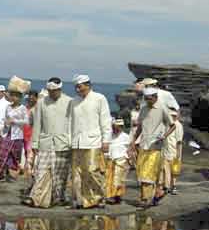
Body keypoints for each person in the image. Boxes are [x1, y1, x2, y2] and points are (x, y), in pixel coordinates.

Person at [23, 78, 72, 208]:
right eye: (50, 91)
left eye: (54, 91)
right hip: (45, 142)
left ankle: (57, 197)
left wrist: (72, 142)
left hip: (63, 143)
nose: (51, 94)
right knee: (41, 171)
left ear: (59, 89)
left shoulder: (69, 102)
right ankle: (35, 197)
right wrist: (34, 144)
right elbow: (37, 124)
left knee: (60, 174)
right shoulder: (41, 103)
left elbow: (72, 123)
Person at [70, 75, 112, 209]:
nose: (78, 89)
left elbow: (105, 120)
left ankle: (99, 197)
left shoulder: (99, 98)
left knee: (92, 170)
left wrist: (106, 140)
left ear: (88, 85)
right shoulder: (74, 101)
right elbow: (70, 122)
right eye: (76, 87)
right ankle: (80, 199)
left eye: (80, 86)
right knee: (77, 172)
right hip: (77, 141)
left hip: (93, 141)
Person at [129, 87, 175, 208]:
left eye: (150, 99)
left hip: (156, 145)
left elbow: (172, 125)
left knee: (148, 172)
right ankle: (155, 194)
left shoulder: (162, 108)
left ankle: (146, 198)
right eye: (146, 99)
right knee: (141, 171)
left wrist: (164, 136)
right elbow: (140, 127)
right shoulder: (143, 109)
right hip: (144, 144)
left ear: (155, 97)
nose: (148, 101)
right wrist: (133, 141)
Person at [0, 89, 29, 182]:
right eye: (13, 95)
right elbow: (5, 118)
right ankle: (1, 173)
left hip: (17, 134)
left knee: (14, 155)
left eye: (17, 96)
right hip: (7, 133)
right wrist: (5, 123)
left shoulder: (23, 108)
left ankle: (11, 174)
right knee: (2, 151)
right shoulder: (8, 107)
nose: (14, 98)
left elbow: (26, 121)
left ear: (20, 98)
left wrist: (15, 121)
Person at [104, 118, 131, 204]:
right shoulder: (109, 136)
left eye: (119, 127)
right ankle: (110, 196)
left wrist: (129, 159)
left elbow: (129, 149)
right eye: (115, 127)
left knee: (118, 179)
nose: (117, 129)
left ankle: (117, 195)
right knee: (109, 179)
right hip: (110, 159)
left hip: (121, 160)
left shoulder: (126, 137)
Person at [163, 110, 184, 194]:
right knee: (166, 169)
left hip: (174, 150)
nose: (173, 117)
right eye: (171, 115)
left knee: (174, 169)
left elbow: (179, 140)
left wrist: (178, 152)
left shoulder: (178, 125)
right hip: (166, 150)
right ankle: (167, 186)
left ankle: (173, 186)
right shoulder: (167, 124)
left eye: (174, 116)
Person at [22, 90, 38, 184]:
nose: (31, 100)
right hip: (25, 135)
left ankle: (32, 178)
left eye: (33, 98)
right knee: (27, 157)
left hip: (34, 137)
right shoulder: (25, 108)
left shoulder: (38, 109)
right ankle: (30, 180)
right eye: (29, 98)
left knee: (31, 159)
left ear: (36, 98)